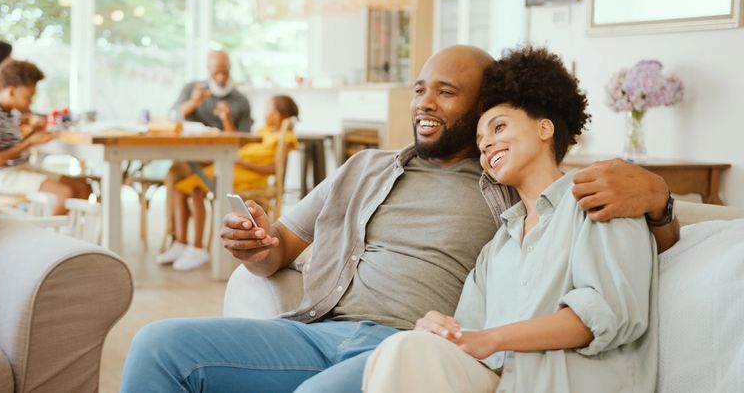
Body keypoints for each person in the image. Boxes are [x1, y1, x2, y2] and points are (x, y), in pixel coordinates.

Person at [120, 45, 678, 393]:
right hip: (313, 331)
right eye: (419, 89)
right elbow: (278, 253)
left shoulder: (507, 189)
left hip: (400, 349)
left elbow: (577, 201)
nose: (424, 103)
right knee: (158, 345)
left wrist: (658, 196)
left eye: (447, 92)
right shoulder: (365, 167)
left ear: (489, 107)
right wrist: (255, 245)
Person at [362, 46, 657, 393]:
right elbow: (467, 334)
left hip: (567, 384)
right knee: (404, 347)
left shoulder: (601, 201)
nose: (487, 144)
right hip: (501, 383)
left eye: (499, 127)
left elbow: (605, 314)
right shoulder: (498, 246)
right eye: (480, 139)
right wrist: (437, 330)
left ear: (544, 128)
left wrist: (494, 338)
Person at [157, 95, 300, 271]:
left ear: (279, 114)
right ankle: (181, 242)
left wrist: (241, 163)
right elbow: (240, 146)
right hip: (234, 170)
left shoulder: (285, 137)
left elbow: (274, 169)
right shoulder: (264, 130)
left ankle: (196, 248)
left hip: (248, 178)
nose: (265, 112)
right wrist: (227, 121)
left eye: (269, 108)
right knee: (183, 189)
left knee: (195, 188)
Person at [0, 59, 91, 215]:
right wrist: (29, 142)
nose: (30, 103)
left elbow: (9, 145)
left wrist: (33, 133)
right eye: (28, 97)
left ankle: (67, 235)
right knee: (64, 193)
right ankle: (45, 236)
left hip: (21, 168)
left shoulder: (9, 113)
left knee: (83, 186)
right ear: (11, 91)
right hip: (2, 176)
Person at [163, 50, 254, 245]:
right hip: (189, 157)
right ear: (208, 69)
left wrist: (227, 120)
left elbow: (243, 141)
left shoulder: (241, 100)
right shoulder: (192, 89)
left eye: (225, 70)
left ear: (230, 69)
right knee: (174, 176)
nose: (221, 76)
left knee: (194, 187)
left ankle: (189, 244)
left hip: (220, 160)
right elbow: (172, 116)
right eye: (216, 71)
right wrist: (194, 102)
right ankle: (177, 239)